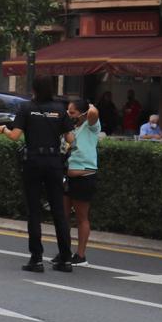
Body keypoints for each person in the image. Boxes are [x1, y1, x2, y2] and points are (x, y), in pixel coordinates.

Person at [0, 76, 74, 273]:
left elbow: (15, 136)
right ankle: (65, 258)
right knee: (59, 212)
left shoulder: (27, 108)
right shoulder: (60, 109)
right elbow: (71, 138)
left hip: (33, 162)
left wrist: (4, 129)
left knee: (34, 211)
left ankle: (36, 259)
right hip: (54, 162)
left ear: (34, 89)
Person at [65, 98, 100, 266]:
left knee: (81, 217)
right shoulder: (71, 128)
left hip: (84, 177)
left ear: (82, 113)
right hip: (67, 175)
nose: (69, 115)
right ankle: (64, 251)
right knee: (62, 216)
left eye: (72, 112)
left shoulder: (91, 126)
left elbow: (93, 113)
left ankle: (80, 255)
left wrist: (89, 105)